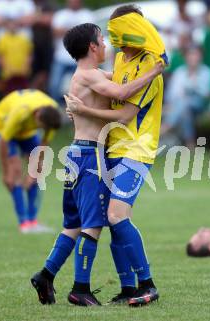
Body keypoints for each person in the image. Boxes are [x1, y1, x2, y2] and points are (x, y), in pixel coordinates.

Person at [30, 23, 163, 306]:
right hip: (90, 156)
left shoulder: (86, 74)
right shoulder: (89, 75)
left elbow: (120, 79)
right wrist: (154, 72)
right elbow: (124, 92)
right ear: (92, 46)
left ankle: (46, 275)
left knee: (73, 224)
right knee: (93, 225)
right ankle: (80, 288)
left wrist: (139, 60)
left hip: (76, 154)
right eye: (103, 40)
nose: (106, 45)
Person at [63, 4, 166, 306]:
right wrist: (81, 108)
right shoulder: (120, 58)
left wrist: (83, 110)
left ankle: (147, 284)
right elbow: (105, 89)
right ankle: (128, 288)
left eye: (119, 27)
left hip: (136, 149)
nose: (113, 35)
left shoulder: (152, 69)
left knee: (116, 215)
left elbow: (123, 115)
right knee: (112, 219)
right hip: (109, 149)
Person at [0, 89, 61, 233]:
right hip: (2, 126)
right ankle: (23, 224)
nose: (42, 129)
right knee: (14, 170)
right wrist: (5, 173)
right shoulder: (20, 112)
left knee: (37, 171)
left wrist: (33, 172)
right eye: (41, 127)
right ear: (38, 116)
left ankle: (32, 221)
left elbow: (44, 142)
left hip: (26, 131)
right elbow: (4, 140)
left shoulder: (52, 114)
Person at [162, 46, 210, 148]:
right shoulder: (179, 72)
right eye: (191, 55)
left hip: (199, 105)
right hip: (180, 105)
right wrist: (171, 104)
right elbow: (172, 93)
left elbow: (206, 94)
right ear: (186, 58)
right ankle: (190, 144)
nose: (193, 58)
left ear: (200, 57)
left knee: (185, 103)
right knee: (185, 111)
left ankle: (165, 127)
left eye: (195, 55)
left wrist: (195, 83)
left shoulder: (206, 72)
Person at [49, 0, 93, 102]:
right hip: (61, 56)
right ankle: (55, 106)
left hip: (80, 58)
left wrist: (65, 30)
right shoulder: (60, 14)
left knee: (81, 87)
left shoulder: (87, 14)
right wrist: (77, 31)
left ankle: (78, 107)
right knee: (54, 85)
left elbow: (90, 34)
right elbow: (55, 32)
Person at [0, 19, 33, 93]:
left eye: (14, 25)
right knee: (8, 92)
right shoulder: (2, 40)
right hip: (8, 73)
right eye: (10, 25)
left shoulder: (24, 39)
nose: (12, 27)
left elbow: (29, 54)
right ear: (6, 27)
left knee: (24, 92)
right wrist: (6, 67)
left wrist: (26, 66)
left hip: (22, 72)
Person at [31, 0, 55, 92]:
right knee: (34, 72)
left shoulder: (49, 5)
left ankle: (39, 92)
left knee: (45, 73)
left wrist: (33, 18)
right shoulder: (29, 4)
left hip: (47, 45)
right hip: (34, 45)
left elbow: (48, 20)